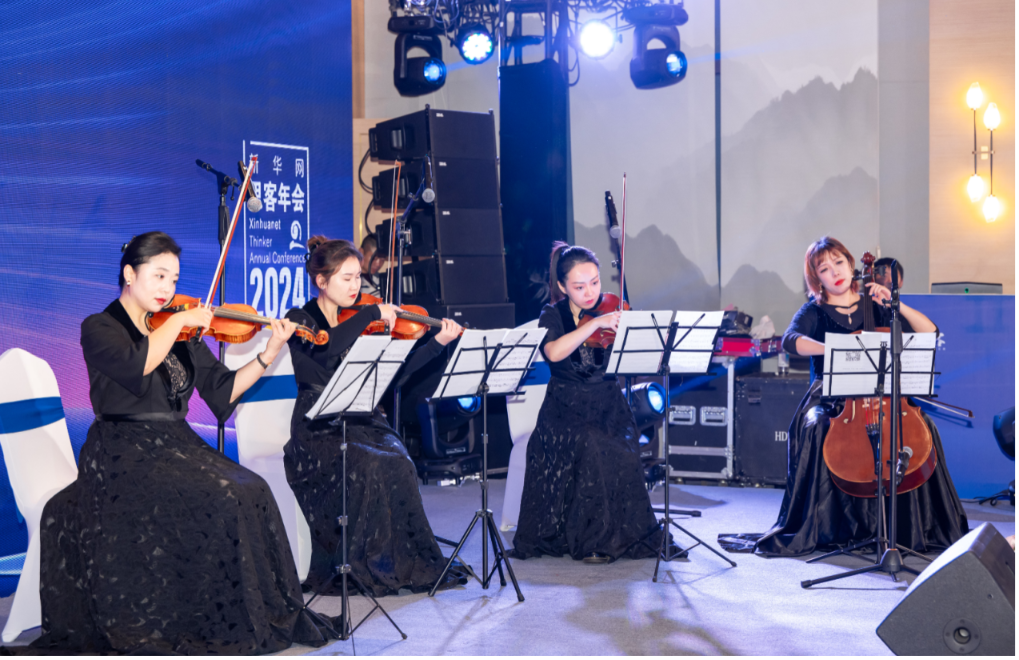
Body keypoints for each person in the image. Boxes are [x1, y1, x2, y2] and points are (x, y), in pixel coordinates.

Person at [31, 232, 333, 655]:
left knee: (252, 488)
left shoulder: (179, 329)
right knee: (225, 495)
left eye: (173, 279)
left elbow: (223, 392)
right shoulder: (99, 327)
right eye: (158, 276)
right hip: (121, 449)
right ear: (129, 275)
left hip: (175, 441)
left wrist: (270, 352)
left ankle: (255, 615)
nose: (168, 289)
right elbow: (136, 366)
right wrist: (178, 322)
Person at [754, 237, 968, 557]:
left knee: (924, 428)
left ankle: (912, 527)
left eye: (839, 262)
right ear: (817, 279)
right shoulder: (815, 310)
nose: (835, 272)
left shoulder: (876, 303)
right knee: (816, 427)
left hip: (883, 395)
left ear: (851, 263)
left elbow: (929, 333)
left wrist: (895, 304)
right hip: (833, 399)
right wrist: (834, 349)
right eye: (824, 269)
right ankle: (826, 526)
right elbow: (790, 340)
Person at [283, 236, 467, 597]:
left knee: (400, 460)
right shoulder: (300, 318)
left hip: (359, 417)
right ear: (321, 281)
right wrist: (369, 314)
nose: (356, 286)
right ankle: (361, 563)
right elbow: (326, 349)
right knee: (367, 463)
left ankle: (393, 561)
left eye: (358, 277)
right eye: (347, 278)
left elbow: (394, 375)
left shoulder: (358, 321)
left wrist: (436, 344)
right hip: (317, 425)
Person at [512, 243, 673, 565]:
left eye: (595, 282)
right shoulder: (552, 315)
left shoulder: (614, 309)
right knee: (592, 443)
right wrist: (594, 324)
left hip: (609, 404)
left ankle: (623, 534)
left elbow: (638, 358)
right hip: (564, 408)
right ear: (562, 287)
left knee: (622, 447)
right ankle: (594, 540)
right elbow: (553, 353)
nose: (590, 292)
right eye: (579, 286)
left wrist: (647, 340)